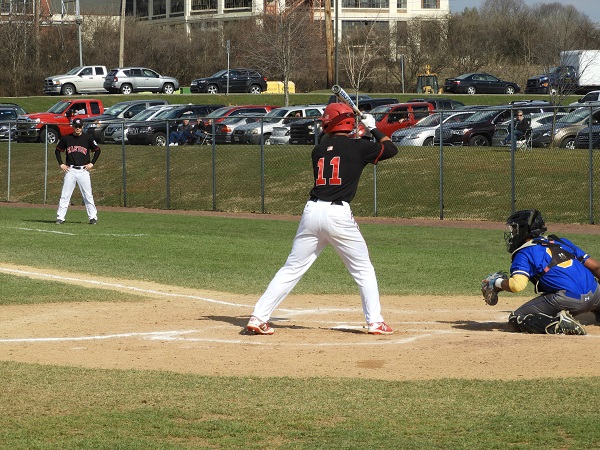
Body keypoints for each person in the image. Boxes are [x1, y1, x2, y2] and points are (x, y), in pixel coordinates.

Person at [246, 103, 398, 335]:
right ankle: (375, 322)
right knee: (363, 270)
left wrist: (361, 131)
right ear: (349, 123)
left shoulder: (318, 149)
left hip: (311, 212)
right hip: (338, 214)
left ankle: (258, 317)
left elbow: (336, 147)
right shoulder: (360, 147)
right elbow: (390, 149)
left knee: (291, 268)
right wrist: (373, 128)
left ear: (329, 123)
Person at [483, 209, 600, 335]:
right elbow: (596, 267)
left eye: (514, 229)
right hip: (595, 294)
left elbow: (517, 285)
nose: (512, 234)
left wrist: (497, 283)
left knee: (516, 318)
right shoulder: (561, 241)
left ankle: (559, 324)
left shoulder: (524, 252)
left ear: (524, 230)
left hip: (568, 299)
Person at [55, 117, 101, 225]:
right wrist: (61, 164)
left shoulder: (88, 138)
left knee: (88, 195)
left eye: (80, 126)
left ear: (82, 127)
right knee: (65, 195)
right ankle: (60, 217)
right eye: (76, 126)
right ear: (73, 126)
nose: (78, 128)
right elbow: (57, 151)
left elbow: (98, 150)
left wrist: (92, 163)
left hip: (83, 171)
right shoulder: (67, 138)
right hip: (70, 170)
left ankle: (93, 217)